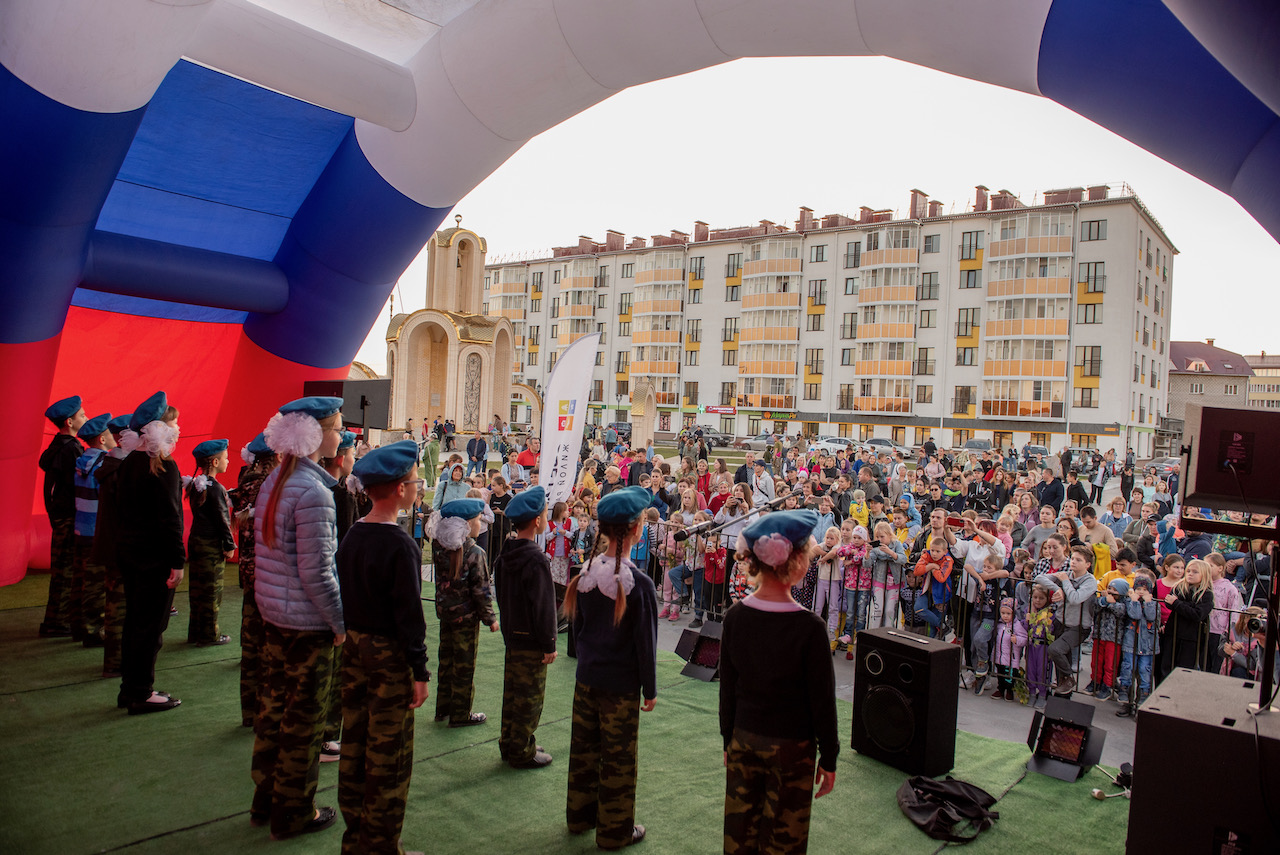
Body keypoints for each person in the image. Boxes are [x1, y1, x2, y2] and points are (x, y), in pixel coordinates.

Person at [250, 396, 347, 840]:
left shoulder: (277, 480)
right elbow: (317, 572)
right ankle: (293, 812)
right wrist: (339, 622)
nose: (341, 435)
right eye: (337, 427)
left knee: (273, 711)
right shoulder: (313, 492)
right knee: (303, 721)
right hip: (306, 625)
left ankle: (266, 799)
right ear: (315, 435)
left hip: (275, 617)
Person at [720, 508, 837, 854]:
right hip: (793, 748)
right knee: (786, 836)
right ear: (797, 562)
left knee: (739, 831)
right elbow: (822, 701)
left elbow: (728, 689)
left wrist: (728, 739)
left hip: (744, 736)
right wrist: (829, 756)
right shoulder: (810, 628)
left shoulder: (735, 616)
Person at [335, 441, 430, 855]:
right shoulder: (400, 545)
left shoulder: (354, 535)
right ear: (399, 489)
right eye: (416, 482)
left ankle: (356, 838)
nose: (418, 488)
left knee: (355, 744)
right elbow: (409, 617)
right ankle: (382, 845)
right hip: (388, 655)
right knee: (389, 753)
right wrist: (420, 670)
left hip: (354, 648)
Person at [560, 486, 658, 850]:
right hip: (619, 685)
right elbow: (645, 644)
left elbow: (579, 631)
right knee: (618, 757)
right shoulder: (638, 583)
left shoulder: (585, 571)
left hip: (586, 678)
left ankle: (579, 816)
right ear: (636, 529)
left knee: (583, 749)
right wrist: (650, 689)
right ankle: (615, 830)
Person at [114, 393, 185, 714]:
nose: (178, 429)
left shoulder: (129, 462)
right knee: (150, 628)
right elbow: (170, 519)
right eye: (174, 423)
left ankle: (130, 689)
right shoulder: (164, 466)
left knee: (135, 623)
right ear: (159, 427)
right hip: (155, 560)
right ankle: (140, 692)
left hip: (131, 556)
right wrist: (177, 561)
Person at [494, 485, 558, 768]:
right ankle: (521, 749)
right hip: (532, 640)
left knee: (512, 694)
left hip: (513, 635)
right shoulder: (535, 558)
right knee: (530, 697)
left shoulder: (505, 554)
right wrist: (549, 643)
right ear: (537, 520)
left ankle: (511, 741)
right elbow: (543, 606)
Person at [427, 497, 498, 728]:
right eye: (477, 520)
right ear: (466, 524)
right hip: (466, 618)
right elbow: (481, 590)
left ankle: (443, 708)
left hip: (446, 613)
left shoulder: (439, 546)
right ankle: (461, 714)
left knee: (446, 661)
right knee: (464, 665)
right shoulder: (475, 552)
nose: (479, 524)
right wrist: (490, 618)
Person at [230, 431, 277, 726]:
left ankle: (250, 712)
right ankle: (264, 713)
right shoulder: (269, 485)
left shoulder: (246, 480)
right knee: (267, 647)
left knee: (250, 646)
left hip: (249, 571)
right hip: (267, 573)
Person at [39, 394, 88, 637]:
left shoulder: (58, 446)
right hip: (69, 516)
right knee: (67, 569)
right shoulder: (71, 449)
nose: (86, 418)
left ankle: (55, 619)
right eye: (82, 415)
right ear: (70, 422)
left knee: (62, 568)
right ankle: (57, 622)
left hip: (60, 515)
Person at [184, 438, 235, 646]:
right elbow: (223, 519)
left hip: (196, 542)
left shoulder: (195, 485)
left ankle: (195, 631)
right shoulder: (216, 488)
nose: (227, 461)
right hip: (211, 546)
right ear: (215, 462)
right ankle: (209, 635)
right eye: (225, 458)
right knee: (212, 590)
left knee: (197, 589)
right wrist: (230, 545)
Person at [71, 412, 114, 647]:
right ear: (102, 439)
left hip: (81, 528)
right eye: (111, 434)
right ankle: (93, 630)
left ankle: (78, 626)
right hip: (96, 531)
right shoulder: (103, 465)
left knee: (81, 579)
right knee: (96, 584)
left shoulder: (81, 462)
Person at [94, 414, 132, 676]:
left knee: (115, 605)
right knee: (119, 607)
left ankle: (114, 659)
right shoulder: (121, 469)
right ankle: (116, 662)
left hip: (113, 545)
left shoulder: (111, 465)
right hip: (122, 547)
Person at [1035, 545, 1099, 696]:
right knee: (1062, 659)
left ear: (1087, 564)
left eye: (1079, 560)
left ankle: (1069, 678)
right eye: (1073, 558)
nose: (1073, 562)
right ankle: (1063, 693)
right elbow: (1039, 578)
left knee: (1055, 650)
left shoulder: (1089, 581)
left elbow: (1076, 598)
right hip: (1061, 621)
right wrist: (1057, 589)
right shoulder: (1067, 575)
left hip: (1078, 626)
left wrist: (1064, 582)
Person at [1160, 558, 1214, 675]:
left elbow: (1198, 614)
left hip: (1191, 638)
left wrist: (1177, 603)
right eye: (1188, 571)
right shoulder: (1178, 587)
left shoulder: (1206, 594)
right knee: (1166, 667)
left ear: (1204, 574)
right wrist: (1188, 606)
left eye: (1195, 572)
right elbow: (1168, 602)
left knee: (1183, 670)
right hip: (1173, 633)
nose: (1190, 574)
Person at [1116, 574, 1161, 715]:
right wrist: (1135, 601)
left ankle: (1142, 700)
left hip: (1147, 645)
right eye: (1139, 589)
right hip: (1131, 643)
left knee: (1144, 671)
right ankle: (1126, 700)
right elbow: (1134, 615)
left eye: (1145, 590)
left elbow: (1151, 616)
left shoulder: (1154, 603)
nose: (1141, 592)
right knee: (1128, 668)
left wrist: (1147, 603)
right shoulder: (1130, 602)